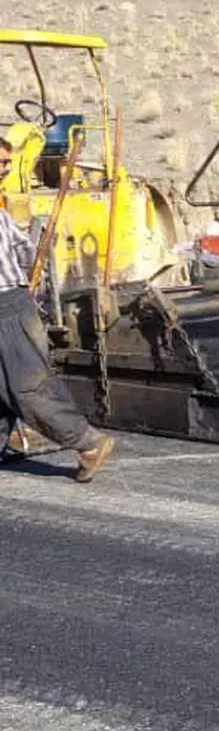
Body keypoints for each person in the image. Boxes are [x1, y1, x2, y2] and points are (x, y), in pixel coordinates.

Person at [0, 138, 115, 482]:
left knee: (26, 385)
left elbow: (23, 250)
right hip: (12, 300)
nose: (5, 169)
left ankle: (87, 443)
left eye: (6, 163)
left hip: (6, 305)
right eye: (2, 163)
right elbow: (24, 248)